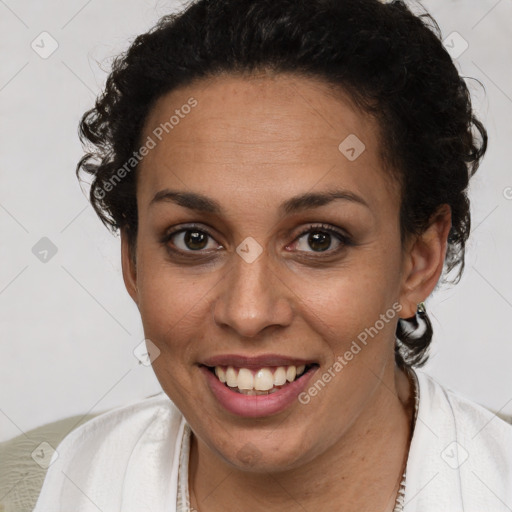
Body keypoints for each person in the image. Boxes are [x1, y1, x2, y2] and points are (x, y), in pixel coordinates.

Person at [32, 0, 512, 511]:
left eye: (318, 240)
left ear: (417, 261)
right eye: (193, 239)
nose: (248, 312)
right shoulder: (49, 482)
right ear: (132, 262)